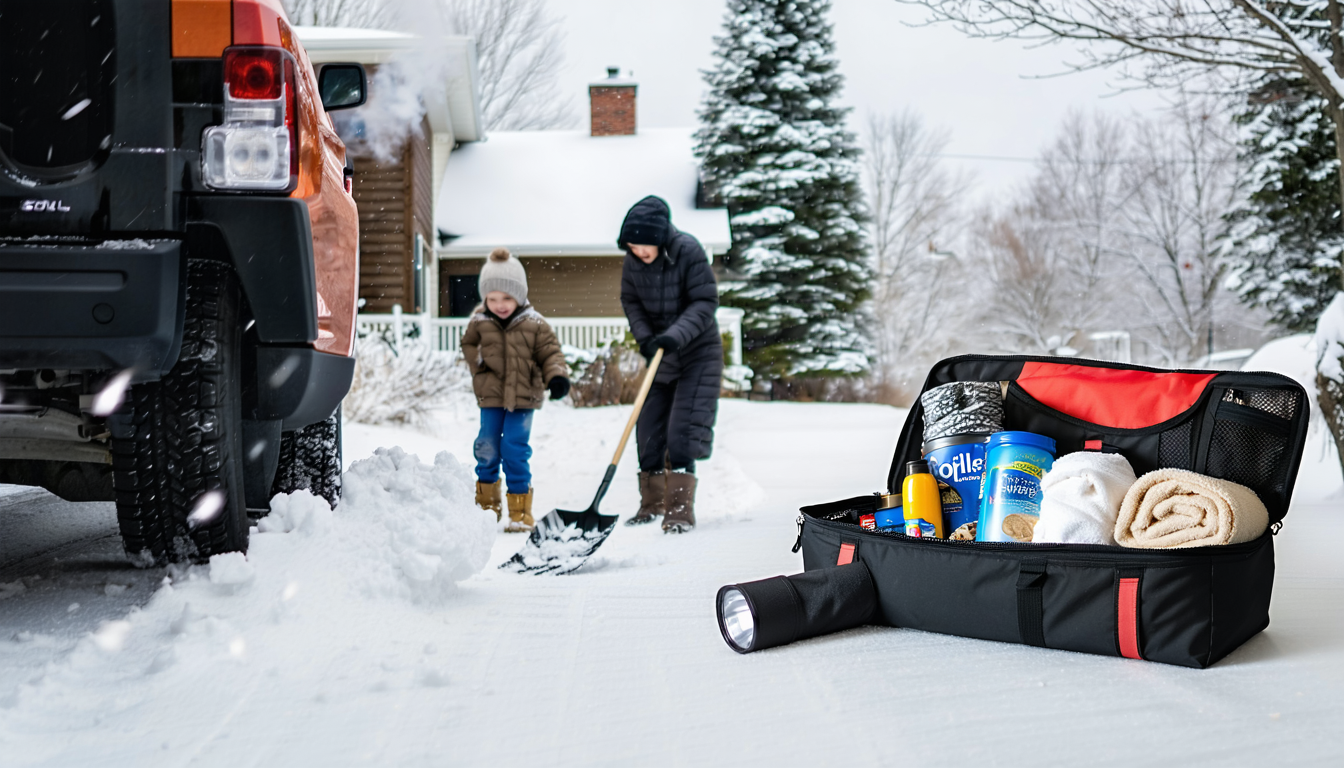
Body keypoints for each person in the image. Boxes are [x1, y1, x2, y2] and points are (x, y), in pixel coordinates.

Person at [617, 195, 723, 533]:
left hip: (696, 353)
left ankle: (678, 510)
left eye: (644, 246)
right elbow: (630, 300)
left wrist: (675, 335)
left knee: (681, 431)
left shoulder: (687, 250)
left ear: (660, 239)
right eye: (632, 247)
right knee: (647, 429)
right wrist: (646, 337)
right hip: (660, 353)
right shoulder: (632, 263)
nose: (639, 253)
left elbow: (705, 299)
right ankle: (650, 505)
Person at [460, 247, 570, 532]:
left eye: (507, 297)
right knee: (486, 447)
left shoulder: (535, 324)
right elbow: (468, 345)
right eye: (492, 298)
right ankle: (486, 508)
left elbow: (551, 354)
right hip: (491, 396)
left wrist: (556, 377)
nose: (500, 304)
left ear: (520, 295)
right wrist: (479, 363)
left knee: (514, 449)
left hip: (524, 398)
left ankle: (520, 513)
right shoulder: (479, 323)